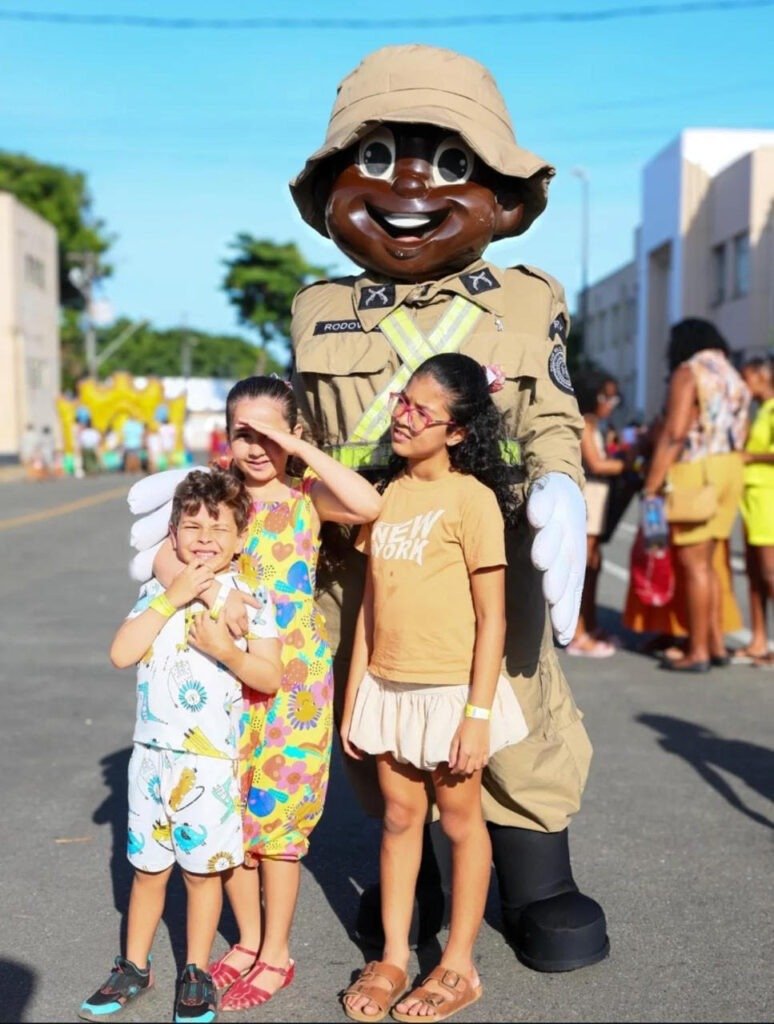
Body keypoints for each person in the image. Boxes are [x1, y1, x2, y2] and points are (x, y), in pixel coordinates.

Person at [287, 44, 607, 968]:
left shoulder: (526, 299)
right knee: (379, 713)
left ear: (501, 197)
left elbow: (551, 416)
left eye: (452, 162)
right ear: (331, 190)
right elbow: (304, 428)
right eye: (376, 157)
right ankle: (414, 875)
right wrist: (238, 500)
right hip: (366, 560)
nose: (410, 184)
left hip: (483, 546)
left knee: (512, 702)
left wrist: (559, 487)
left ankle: (536, 873)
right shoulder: (318, 309)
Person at [142, 376, 383, 1011]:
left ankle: (276, 952)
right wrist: (212, 590)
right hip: (224, 678)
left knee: (279, 824)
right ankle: (247, 940)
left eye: (268, 433)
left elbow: (368, 505)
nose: (254, 447)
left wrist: (299, 451)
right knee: (233, 816)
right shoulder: (217, 498)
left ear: (295, 433)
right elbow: (165, 558)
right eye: (242, 433)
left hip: (295, 683)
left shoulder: (307, 496)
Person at [339, 354, 527, 1022]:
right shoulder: (384, 494)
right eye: (403, 401)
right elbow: (370, 607)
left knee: (459, 823)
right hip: (387, 688)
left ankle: (459, 965)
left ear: (456, 431)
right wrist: (356, 696)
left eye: (423, 411)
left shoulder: (472, 500)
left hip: (452, 694)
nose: (403, 417)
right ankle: (393, 957)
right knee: (398, 819)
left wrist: (477, 714)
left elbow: (493, 617)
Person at [79, 468, 282, 1024]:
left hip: (208, 764)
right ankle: (134, 966)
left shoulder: (249, 600)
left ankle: (195, 970)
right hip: (150, 759)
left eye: (219, 528)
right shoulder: (155, 592)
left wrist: (227, 650)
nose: (204, 537)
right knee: (148, 872)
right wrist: (169, 599)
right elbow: (121, 654)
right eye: (191, 526)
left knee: (201, 875)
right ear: (172, 534)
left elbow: (269, 675)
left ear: (240, 539)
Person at [641, 319, 750, 672]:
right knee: (711, 562)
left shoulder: (690, 372)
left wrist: (652, 484)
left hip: (698, 467)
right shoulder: (733, 374)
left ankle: (698, 650)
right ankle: (715, 643)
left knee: (694, 564)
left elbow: (675, 432)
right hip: (730, 467)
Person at [569, 372, 628, 657]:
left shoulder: (596, 425)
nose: (610, 403)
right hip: (589, 495)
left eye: (614, 398)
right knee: (584, 564)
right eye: (606, 397)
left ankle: (590, 625)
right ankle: (578, 633)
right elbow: (596, 464)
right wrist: (632, 464)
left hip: (598, 498)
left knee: (594, 563)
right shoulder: (582, 424)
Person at [735, 356, 774, 667]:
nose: (743, 384)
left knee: (770, 571)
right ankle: (759, 639)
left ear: (763, 375)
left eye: (747, 377)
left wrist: (750, 456)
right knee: (754, 573)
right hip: (750, 495)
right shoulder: (759, 410)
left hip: (768, 496)